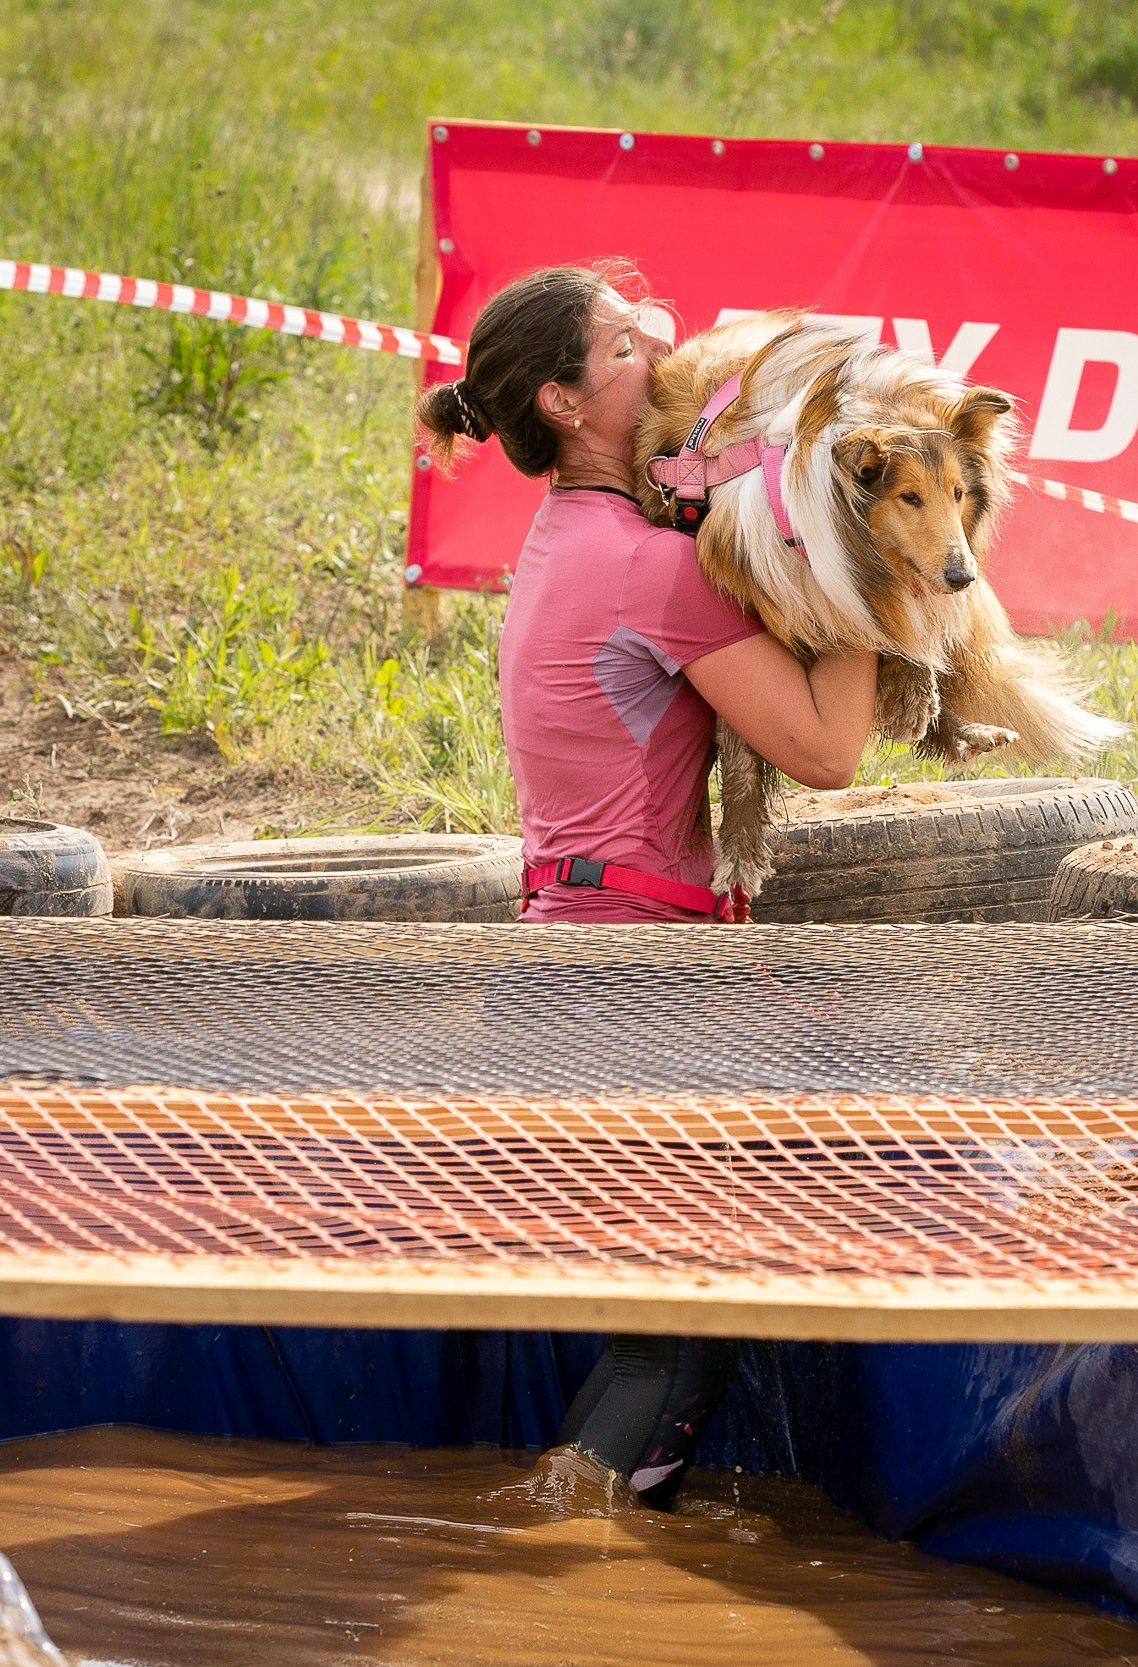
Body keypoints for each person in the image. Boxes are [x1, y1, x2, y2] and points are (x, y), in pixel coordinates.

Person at [415, 263, 877, 1506]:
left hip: (574, 969)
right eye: (624, 346)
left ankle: (564, 1539)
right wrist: (865, 560)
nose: (661, 351)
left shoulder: (574, 539)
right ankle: (556, 1551)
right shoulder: (641, 567)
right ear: (562, 403)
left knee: (667, 1319)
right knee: (677, 1322)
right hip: (627, 984)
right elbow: (827, 748)